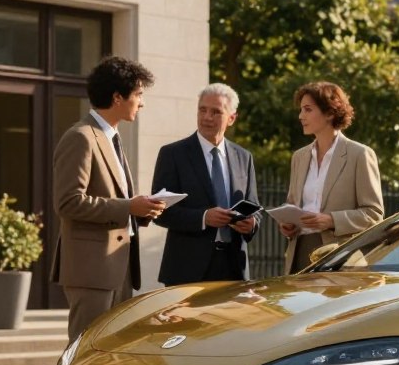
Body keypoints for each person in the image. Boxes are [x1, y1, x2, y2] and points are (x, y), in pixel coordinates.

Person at [52, 55, 165, 341]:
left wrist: (141, 211)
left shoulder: (112, 138)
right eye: (138, 94)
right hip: (92, 270)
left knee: (111, 352)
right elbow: (68, 202)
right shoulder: (80, 137)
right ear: (117, 97)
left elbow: (114, 201)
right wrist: (129, 206)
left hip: (119, 267)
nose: (142, 103)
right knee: (85, 350)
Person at [152, 83, 261, 286]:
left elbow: (254, 207)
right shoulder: (173, 154)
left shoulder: (244, 157)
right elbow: (160, 212)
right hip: (187, 270)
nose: (207, 117)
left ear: (232, 118)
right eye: (202, 110)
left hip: (234, 268)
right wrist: (203, 217)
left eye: (216, 112)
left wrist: (251, 224)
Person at [280, 80, 383, 273]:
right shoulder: (299, 157)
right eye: (301, 110)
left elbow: (373, 214)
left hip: (339, 256)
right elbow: (292, 205)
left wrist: (331, 220)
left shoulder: (360, 154)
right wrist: (288, 225)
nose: (301, 116)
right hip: (299, 251)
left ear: (329, 112)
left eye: (308, 109)